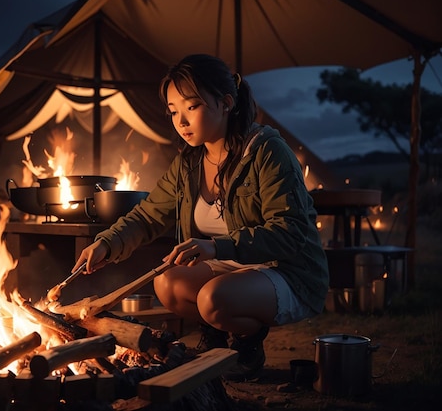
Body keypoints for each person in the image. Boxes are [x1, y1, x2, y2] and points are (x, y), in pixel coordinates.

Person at [72, 54, 329, 379]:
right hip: (231, 267)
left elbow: (289, 233)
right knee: (166, 283)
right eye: (173, 111)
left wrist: (216, 247)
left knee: (212, 299)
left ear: (225, 102)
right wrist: (106, 244)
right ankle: (218, 339)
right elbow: (149, 215)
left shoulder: (266, 152)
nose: (181, 121)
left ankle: (247, 345)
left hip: (285, 269)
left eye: (191, 107)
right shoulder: (189, 163)